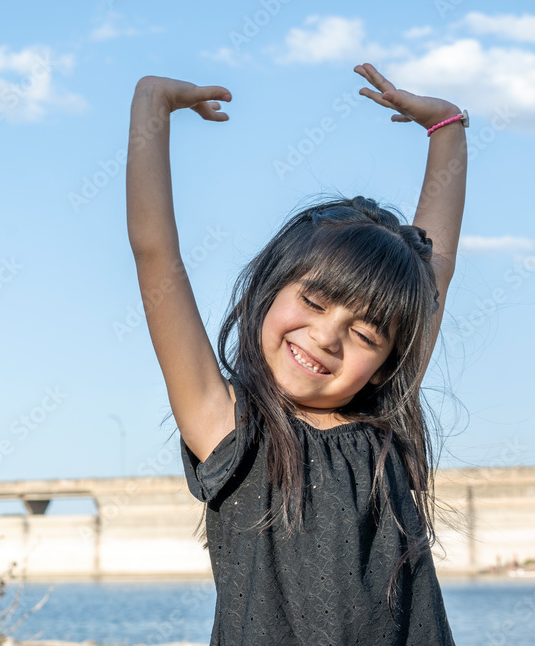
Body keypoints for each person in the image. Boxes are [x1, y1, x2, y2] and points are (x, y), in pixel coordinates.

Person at [125, 63, 465, 644]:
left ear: (387, 361)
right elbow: (156, 253)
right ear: (269, 286)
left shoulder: (382, 424)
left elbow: (438, 266)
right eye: (313, 300)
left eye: (365, 334)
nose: (327, 336)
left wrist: (449, 130)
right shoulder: (229, 427)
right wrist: (152, 105)